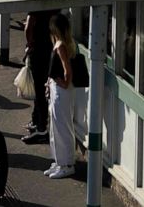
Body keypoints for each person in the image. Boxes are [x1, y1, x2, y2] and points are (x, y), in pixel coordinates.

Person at [45, 12, 78, 179]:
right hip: (57, 88)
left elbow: (67, 71)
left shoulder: (61, 46)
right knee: (56, 126)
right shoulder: (62, 44)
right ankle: (59, 161)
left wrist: (62, 83)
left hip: (61, 91)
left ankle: (66, 164)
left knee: (62, 127)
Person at [22, 9, 58, 144]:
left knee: (39, 90)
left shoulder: (36, 5)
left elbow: (28, 27)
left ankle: (41, 127)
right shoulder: (54, 5)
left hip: (38, 52)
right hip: (49, 50)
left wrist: (29, 44)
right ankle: (37, 120)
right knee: (42, 89)